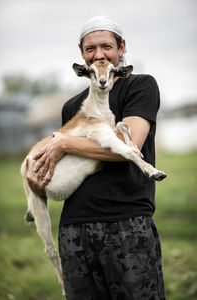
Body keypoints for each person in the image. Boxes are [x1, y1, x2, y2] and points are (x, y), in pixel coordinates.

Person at [27, 16, 166, 300]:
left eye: (106, 46)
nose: (98, 54)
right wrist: (38, 184)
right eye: (90, 48)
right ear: (82, 54)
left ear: (121, 47)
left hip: (127, 223)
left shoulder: (140, 86)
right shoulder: (72, 106)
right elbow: (66, 167)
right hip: (73, 229)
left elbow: (131, 144)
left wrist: (65, 142)